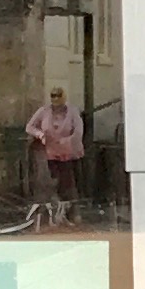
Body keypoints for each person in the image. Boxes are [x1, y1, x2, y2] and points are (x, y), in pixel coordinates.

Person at [25, 83, 85, 219]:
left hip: (69, 154)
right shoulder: (44, 111)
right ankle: (53, 214)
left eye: (59, 96)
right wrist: (40, 135)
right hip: (51, 154)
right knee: (52, 184)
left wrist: (66, 141)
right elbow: (29, 127)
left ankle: (72, 214)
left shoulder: (73, 112)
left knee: (68, 184)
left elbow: (78, 132)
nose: (56, 99)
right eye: (53, 96)